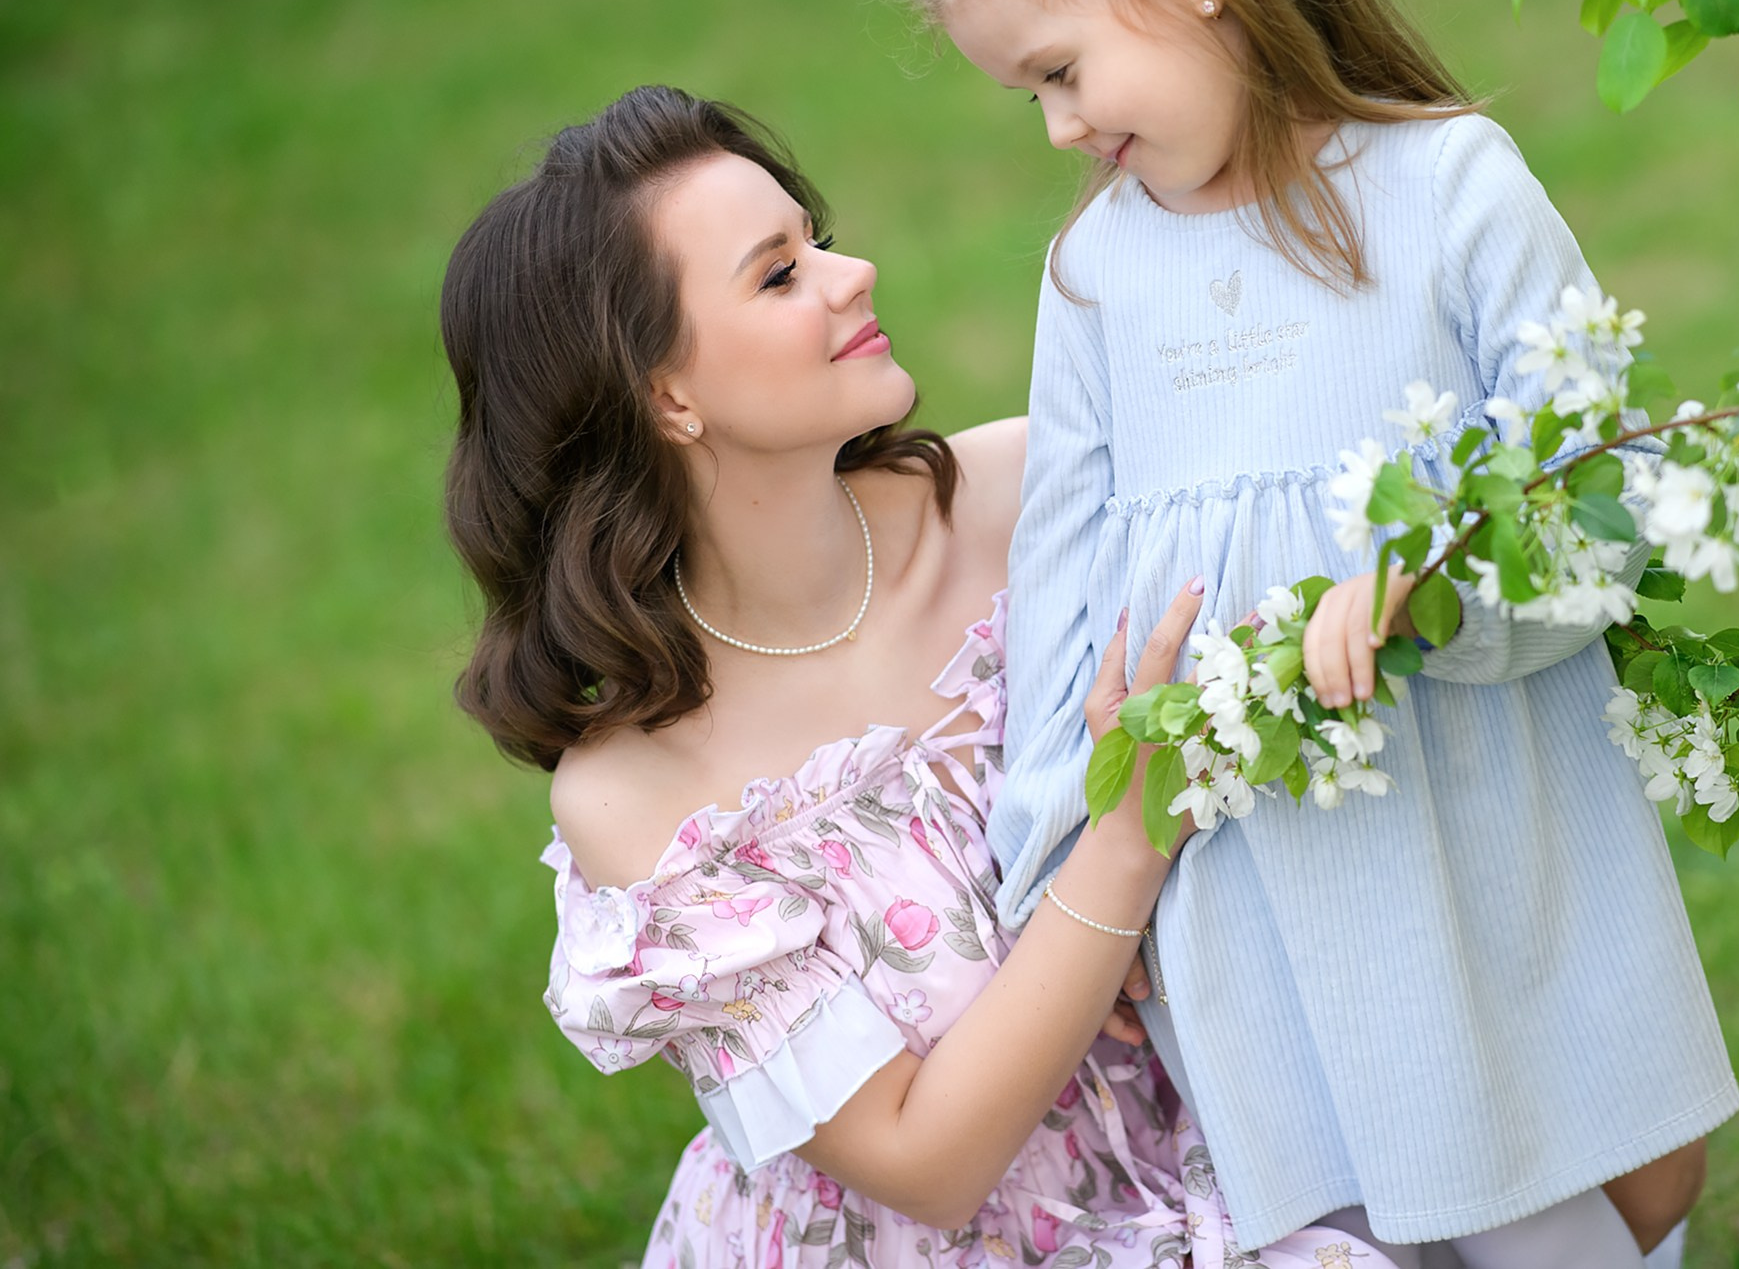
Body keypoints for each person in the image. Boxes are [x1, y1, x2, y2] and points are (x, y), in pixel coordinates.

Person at [916, 0, 1739, 1269]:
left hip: (1482, 825)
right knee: (1363, 1217)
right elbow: (1063, 591)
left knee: (1592, 1187)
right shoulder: (1095, 274)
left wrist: (1438, 586)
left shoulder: (1449, 186)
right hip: (1258, 886)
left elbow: (1600, 488)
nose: (1057, 129)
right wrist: (1067, 872)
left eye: (1059, 71)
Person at [440, 85, 1378, 1268]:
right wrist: (1129, 833)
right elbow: (923, 1164)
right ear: (664, 395)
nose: (855, 273)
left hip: (1226, 1141)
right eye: (779, 275)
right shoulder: (636, 794)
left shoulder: (1032, 499)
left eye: (818, 239)